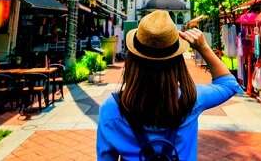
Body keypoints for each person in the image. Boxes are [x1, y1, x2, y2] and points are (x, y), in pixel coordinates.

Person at [97, 10, 241, 160]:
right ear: (178, 63)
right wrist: (203, 47)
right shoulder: (191, 100)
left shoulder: (112, 109)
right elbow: (229, 84)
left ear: (132, 60)